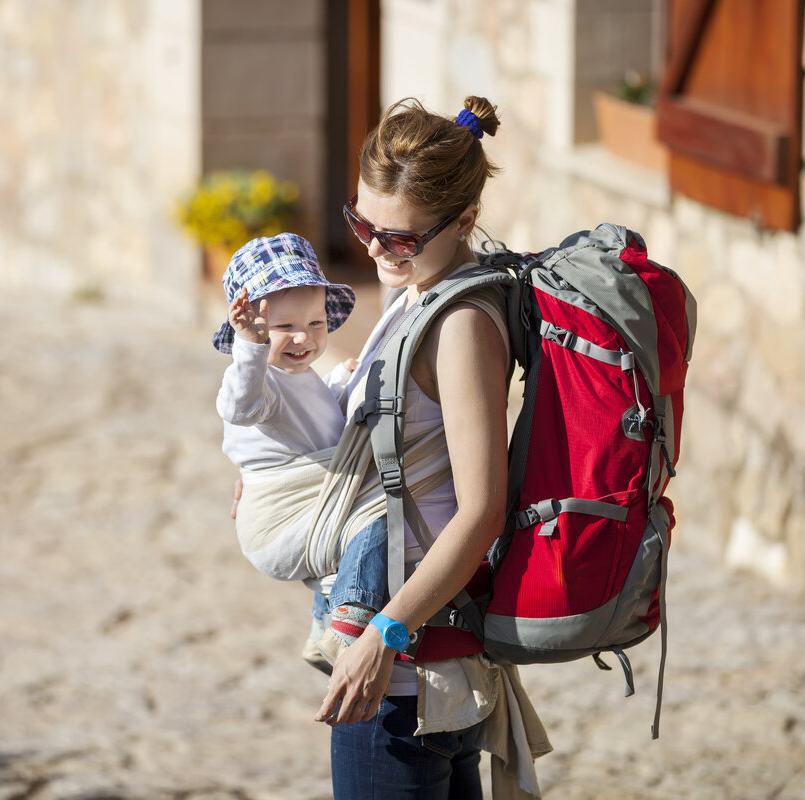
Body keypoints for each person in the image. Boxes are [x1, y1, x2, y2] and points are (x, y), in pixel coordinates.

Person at [307, 96, 550, 798]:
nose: (376, 249)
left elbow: (481, 511)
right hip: (411, 669)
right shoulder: (414, 290)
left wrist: (382, 637)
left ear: (465, 219)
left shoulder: (462, 323)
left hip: (405, 678)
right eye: (363, 223)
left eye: (400, 238)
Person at [213, 233, 398, 661]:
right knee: (376, 516)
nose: (304, 338)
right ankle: (348, 617)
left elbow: (321, 426)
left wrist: (341, 383)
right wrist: (250, 347)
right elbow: (241, 408)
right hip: (281, 514)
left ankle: (320, 624)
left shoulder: (301, 376)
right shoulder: (259, 382)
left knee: (349, 525)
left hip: (308, 508)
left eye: (316, 324)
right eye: (282, 328)